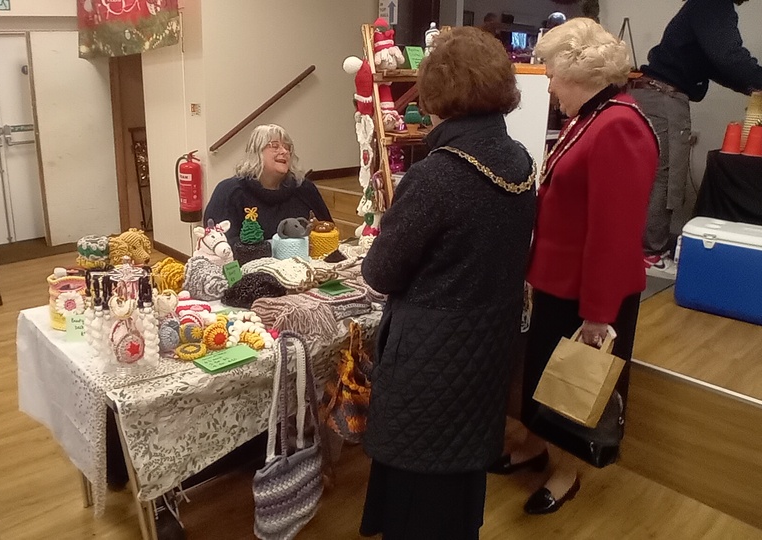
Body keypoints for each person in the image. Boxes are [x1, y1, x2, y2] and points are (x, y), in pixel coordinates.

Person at [359, 27, 537, 539]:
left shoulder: (437, 175)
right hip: (487, 348)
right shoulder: (519, 160)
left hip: (432, 356)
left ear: (438, 95)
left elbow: (379, 273)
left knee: (418, 496)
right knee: (459, 480)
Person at [494, 18, 658, 515]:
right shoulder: (592, 116)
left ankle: (567, 472)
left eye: (552, 74)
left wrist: (598, 315)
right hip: (560, 282)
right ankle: (536, 445)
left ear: (578, 72)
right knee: (544, 375)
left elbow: (614, 233)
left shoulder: (619, 125)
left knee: (572, 390)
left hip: (590, 293)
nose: (549, 85)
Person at [631, 0, 762, 275]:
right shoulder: (714, 3)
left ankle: (639, 249)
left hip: (652, 95)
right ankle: (648, 254)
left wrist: (759, 87)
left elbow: (717, 64)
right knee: (666, 179)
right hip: (663, 99)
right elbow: (729, 56)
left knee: (651, 175)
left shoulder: (705, 5)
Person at [202, 124, 331, 240]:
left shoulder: (304, 188)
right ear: (256, 152)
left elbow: (328, 232)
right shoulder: (229, 191)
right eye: (275, 146)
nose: (284, 151)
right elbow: (216, 243)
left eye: (287, 147)